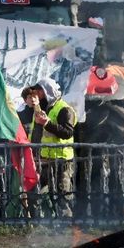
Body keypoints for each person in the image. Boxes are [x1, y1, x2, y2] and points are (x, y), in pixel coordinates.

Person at [30, 77, 77, 218]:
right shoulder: (44, 109)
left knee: (62, 197)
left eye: (40, 92)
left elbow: (67, 133)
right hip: (45, 160)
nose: (38, 95)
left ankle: (64, 228)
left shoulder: (64, 109)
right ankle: (40, 223)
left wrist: (47, 123)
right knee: (35, 192)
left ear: (48, 91)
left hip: (62, 161)